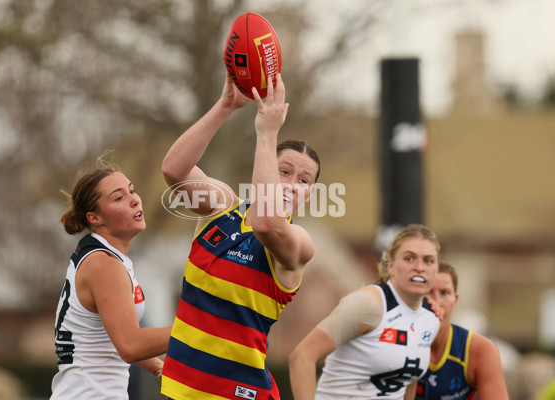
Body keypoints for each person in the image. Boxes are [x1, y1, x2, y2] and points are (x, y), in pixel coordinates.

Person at [159, 73, 321, 400]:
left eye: (304, 181)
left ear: (309, 195)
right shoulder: (221, 208)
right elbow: (174, 171)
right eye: (284, 171)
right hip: (182, 391)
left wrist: (268, 132)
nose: (291, 184)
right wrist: (225, 106)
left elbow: (265, 224)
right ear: (263, 167)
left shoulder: (300, 244)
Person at [50, 157, 172, 399]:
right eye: (119, 198)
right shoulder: (104, 265)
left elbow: (112, 339)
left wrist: (160, 368)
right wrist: (203, 327)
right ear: (95, 218)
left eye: (131, 191)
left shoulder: (103, 256)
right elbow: (130, 345)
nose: (135, 199)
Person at [289, 224, 441, 400]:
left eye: (428, 260)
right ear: (391, 266)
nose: (419, 267)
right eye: (409, 258)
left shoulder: (430, 319)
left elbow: (408, 381)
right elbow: (301, 357)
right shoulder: (369, 304)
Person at [415, 262, 509, 399]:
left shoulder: (480, 350)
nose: (436, 302)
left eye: (444, 293)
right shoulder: (397, 343)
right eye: (428, 292)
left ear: (455, 300)